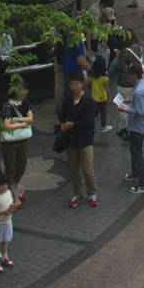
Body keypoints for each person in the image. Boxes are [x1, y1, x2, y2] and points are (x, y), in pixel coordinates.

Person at [54, 70, 100, 208]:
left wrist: (73, 124)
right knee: (74, 170)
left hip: (85, 140)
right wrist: (62, 124)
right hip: (71, 141)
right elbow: (62, 115)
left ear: (81, 84)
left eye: (75, 84)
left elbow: (89, 121)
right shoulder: (68, 100)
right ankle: (77, 193)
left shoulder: (88, 102)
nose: (73, 87)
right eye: (71, 84)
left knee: (87, 170)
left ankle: (93, 193)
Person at [113, 59, 144, 196]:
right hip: (142, 126)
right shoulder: (143, 84)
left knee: (137, 154)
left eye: (129, 75)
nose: (127, 77)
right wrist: (127, 101)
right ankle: (135, 173)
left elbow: (139, 111)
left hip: (138, 127)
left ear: (134, 75)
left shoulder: (138, 91)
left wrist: (125, 109)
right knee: (134, 151)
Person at [0, 82, 35, 197]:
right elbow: (6, 125)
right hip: (9, 142)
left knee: (21, 165)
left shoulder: (24, 103)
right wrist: (22, 124)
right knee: (11, 168)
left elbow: (30, 118)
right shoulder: (7, 105)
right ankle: (13, 193)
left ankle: (14, 186)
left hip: (22, 139)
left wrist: (18, 120)